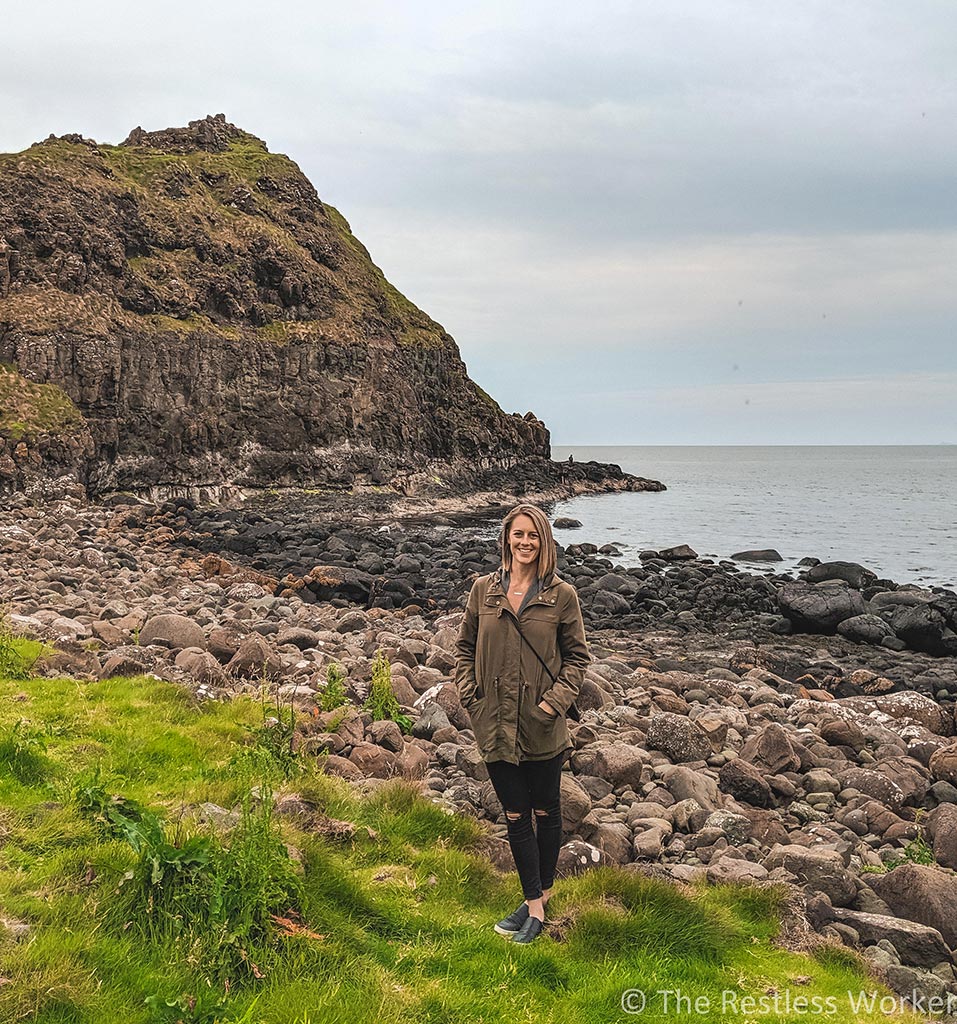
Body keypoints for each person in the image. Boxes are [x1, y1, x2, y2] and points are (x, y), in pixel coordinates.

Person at [454, 503, 589, 944]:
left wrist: (553, 705)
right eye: (518, 535)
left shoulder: (561, 595)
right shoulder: (483, 590)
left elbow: (577, 659)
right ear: (506, 539)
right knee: (515, 813)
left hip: (541, 724)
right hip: (493, 722)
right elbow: (464, 648)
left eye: (533, 535)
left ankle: (537, 901)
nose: (525, 542)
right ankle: (535, 902)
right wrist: (471, 698)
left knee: (547, 811)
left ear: (544, 541)